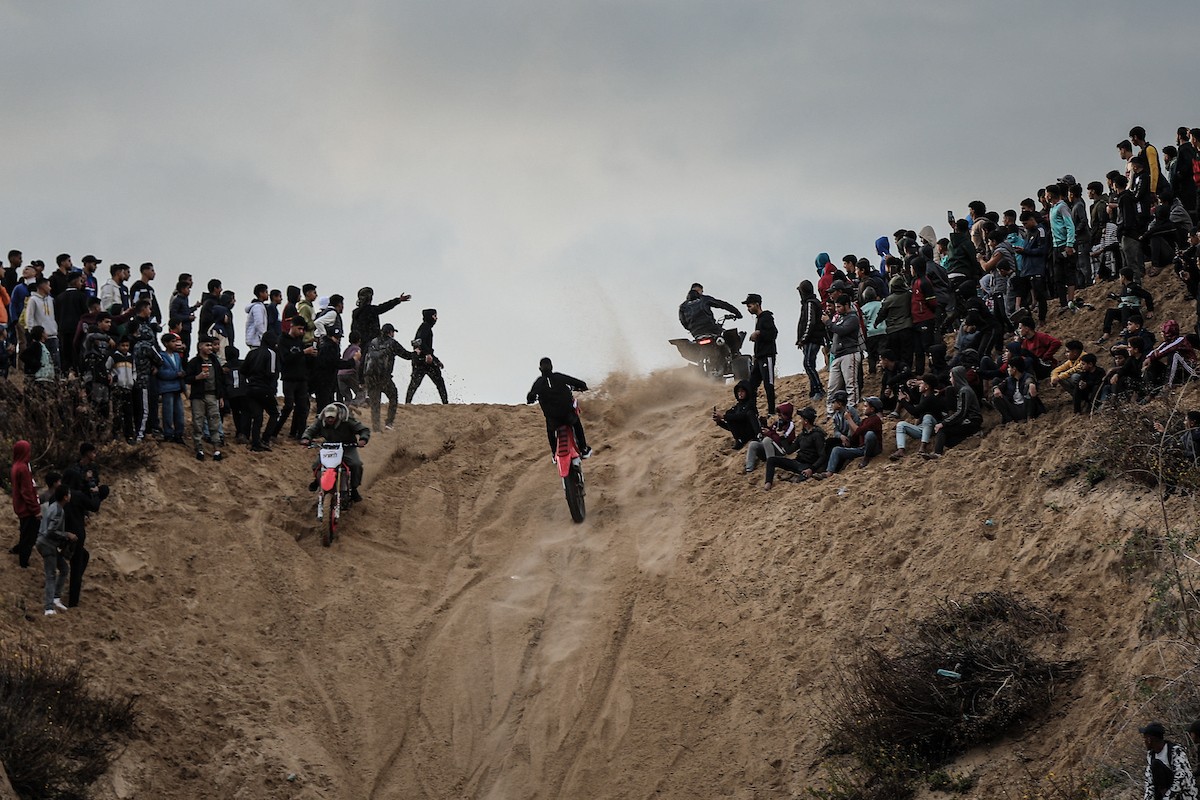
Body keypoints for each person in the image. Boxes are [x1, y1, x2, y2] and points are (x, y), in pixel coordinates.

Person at [302, 402, 371, 502]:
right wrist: (306, 438)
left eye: (332, 417)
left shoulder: (347, 421)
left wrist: (363, 439)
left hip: (347, 447)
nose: (330, 420)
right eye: (328, 417)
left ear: (337, 416)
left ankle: (353, 488)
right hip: (329, 447)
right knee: (316, 465)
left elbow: (364, 430)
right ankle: (318, 481)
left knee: (356, 464)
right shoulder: (320, 421)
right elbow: (311, 430)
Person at [526, 357, 592, 459]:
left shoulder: (538, 383)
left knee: (550, 431)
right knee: (577, 424)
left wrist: (532, 398)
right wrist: (583, 387)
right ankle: (583, 449)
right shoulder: (559, 377)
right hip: (567, 415)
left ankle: (554, 453)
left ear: (540, 369)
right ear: (552, 367)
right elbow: (578, 383)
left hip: (553, 420)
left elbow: (530, 397)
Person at [362, 323, 414, 431]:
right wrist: (416, 353)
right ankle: (389, 423)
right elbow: (406, 355)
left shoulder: (373, 342)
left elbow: (365, 359)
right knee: (393, 396)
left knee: (375, 403)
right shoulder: (392, 343)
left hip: (370, 377)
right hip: (384, 378)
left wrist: (361, 379)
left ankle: (376, 428)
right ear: (390, 332)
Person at [272, 317, 316, 440]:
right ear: (292, 326)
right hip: (289, 379)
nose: (301, 331)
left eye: (303, 329)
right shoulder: (282, 340)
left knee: (303, 408)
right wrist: (303, 352)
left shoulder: (300, 341)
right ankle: (274, 432)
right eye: (299, 329)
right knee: (288, 406)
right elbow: (286, 359)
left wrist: (311, 356)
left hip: (301, 379)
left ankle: (301, 434)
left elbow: (303, 360)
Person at [816, 396, 883, 477]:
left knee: (870, 435)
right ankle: (829, 472)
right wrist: (847, 439)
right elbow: (855, 435)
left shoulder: (875, 419)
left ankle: (866, 458)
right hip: (862, 449)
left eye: (866, 406)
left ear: (872, 409)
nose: (863, 408)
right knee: (836, 450)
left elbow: (859, 431)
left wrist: (849, 419)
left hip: (874, 449)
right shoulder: (865, 420)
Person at [36, 484, 76, 616]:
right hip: (47, 544)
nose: (70, 495)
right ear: (65, 497)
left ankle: (56, 598)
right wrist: (66, 535)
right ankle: (48, 607)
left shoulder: (53, 506)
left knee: (64, 568)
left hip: (45, 542)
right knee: (51, 575)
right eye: (68, 493)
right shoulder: (58, 511)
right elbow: (51, 531)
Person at [763, 407, 825, 490]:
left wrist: (811, 469)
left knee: (803, 475)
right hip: (798, 462)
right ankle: (768, 483)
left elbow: (822, 456)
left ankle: (796, 477)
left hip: (808, 466)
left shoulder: (817, 435)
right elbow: (789, 450)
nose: (800, 421)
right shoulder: (802, 435)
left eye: (801, 419)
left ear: (806, 421)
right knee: (771, 460)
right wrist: (782, 437)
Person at [186, 335, 226, 461]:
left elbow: (220, 379)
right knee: (198, 422)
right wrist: (197, 377)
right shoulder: (194, 362)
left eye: (210, 345)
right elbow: (187, 378)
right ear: (200, 346)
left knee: (214, 422)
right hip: (198, 396)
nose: (210, 348)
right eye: (207, 345)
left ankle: (216, 449)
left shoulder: (215, 361)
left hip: (212, 395)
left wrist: (221, 396)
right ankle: (199, 448)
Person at [242, 330, 281, 451]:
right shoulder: (271, 353)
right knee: (274, 413)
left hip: (250, 388)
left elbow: (243, 370)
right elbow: (272, 373)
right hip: (263, 388)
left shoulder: (252, 353)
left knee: (257, 416)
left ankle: (255, 443)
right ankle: (265, 439)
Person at [930, 367, 982, 457]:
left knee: (942, 430)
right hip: (970, 420)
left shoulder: (964, 391)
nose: (950, 380)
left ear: (957, 378)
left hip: (972, 421)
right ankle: (971, 435)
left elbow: (961, 412)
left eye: (951, 377)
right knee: (947, 439)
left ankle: (937, 453)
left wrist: (944, 423)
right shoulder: (963, 390)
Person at [825, 293, 863, 414]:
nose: (837, 309)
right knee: (832, 386)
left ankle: (852, 408)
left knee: (850, 384)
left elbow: (843, 330)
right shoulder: (839, 318)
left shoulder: (853, 318)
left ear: (847, 305)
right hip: (837, 354)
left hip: (849, 353)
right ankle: (830, 411)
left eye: (839, 307)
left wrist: (829, 323)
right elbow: (833, 332)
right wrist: (828, 323)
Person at [1140, 721, 1198, 800]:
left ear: (1150, 739)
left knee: (1156, 764)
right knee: (1155, 765)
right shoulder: (1151, 756)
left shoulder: (1176, 751)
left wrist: (1167, 798)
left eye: (1145, 738)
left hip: (1183, 796)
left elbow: (1181, 779)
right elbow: (1149, 782)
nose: (1144, 741)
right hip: (1166, 794)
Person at [742, 293, 778, 414]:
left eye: (750, 306)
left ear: (757, 304)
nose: (748, 309)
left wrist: (759, 333)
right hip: (759, 357)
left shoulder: (766, 317)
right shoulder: (759, 318)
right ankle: (752, 411)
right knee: (751, 385)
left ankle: (771, 412)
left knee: (768, 384)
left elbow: (773, 334)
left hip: (767, 355)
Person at [8, 439, 40, 568]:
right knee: (29, 537)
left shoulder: (16, 466)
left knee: (25, 533)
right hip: (27, 509)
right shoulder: (23, 468)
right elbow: (27, 492)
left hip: (20, 506)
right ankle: (23, 562)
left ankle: (17, 550)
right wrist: (35, 509)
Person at [406, 309, 449, 404]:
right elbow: (420, 342)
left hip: (422, 360)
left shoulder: (425, 327)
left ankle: (407, 402)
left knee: (415, 383)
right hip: (423, 361)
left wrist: (436, 360)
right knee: (438, 382)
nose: (436, 318)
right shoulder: (425, 327)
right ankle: (445, 403)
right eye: (434, 316)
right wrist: (428, 354)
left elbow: (422, 344)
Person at [795, 280, 826, 399]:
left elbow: (810, 322)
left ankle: (818, 389)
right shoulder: (810, 303)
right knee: (810, 364)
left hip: (812, 339)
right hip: (811, 339)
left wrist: (803, 338)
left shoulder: (810, 304)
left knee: (808, 364)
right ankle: (813, 390)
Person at [744, 402, 796, 473]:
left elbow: (782, 439)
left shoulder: (790, 425)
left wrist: (769, 433)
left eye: (781, 415)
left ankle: (771, 465)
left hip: (781, 450)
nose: (779, 417)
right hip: (770, 448)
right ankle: (749, 468)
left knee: (767, 440)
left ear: (787, 415)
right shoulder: (777, 423)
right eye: (778, 415)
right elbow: (771, 431)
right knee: (753, 444)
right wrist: (764, 426)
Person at [711, 380, 758, 451]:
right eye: (738, 391)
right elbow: (731, 427)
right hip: (743, 434)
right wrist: (719, 421)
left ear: (747, 392)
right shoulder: (737, 407)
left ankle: (742, 440)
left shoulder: (750, 404)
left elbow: (742, 416)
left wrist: (724, 416)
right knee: (729, 415)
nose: (740, 393)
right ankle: (739, 440)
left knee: (731, 416)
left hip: (751, 433)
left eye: (742, 391)